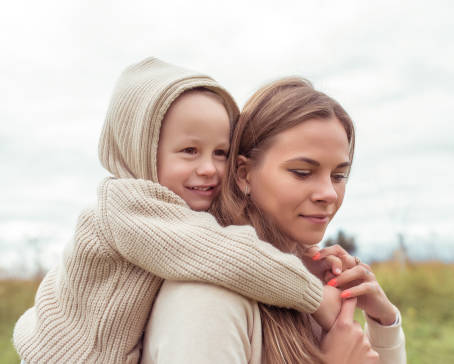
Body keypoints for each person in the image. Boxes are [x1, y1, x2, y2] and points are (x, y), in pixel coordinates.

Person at [12, 58, 341, 364]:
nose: (209, 168)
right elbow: (224, 253)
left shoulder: (173, 213)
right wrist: (313, 296)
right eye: (189, 151)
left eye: (220, 152)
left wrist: (303, 258)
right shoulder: (127, 206)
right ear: (141, 148)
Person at [142, 78, 406, 363]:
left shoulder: (313, 287)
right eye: (302, 172)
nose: (329, 193)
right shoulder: (206, 299)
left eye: (339, 176)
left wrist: (384, 323)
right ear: (244, 174)